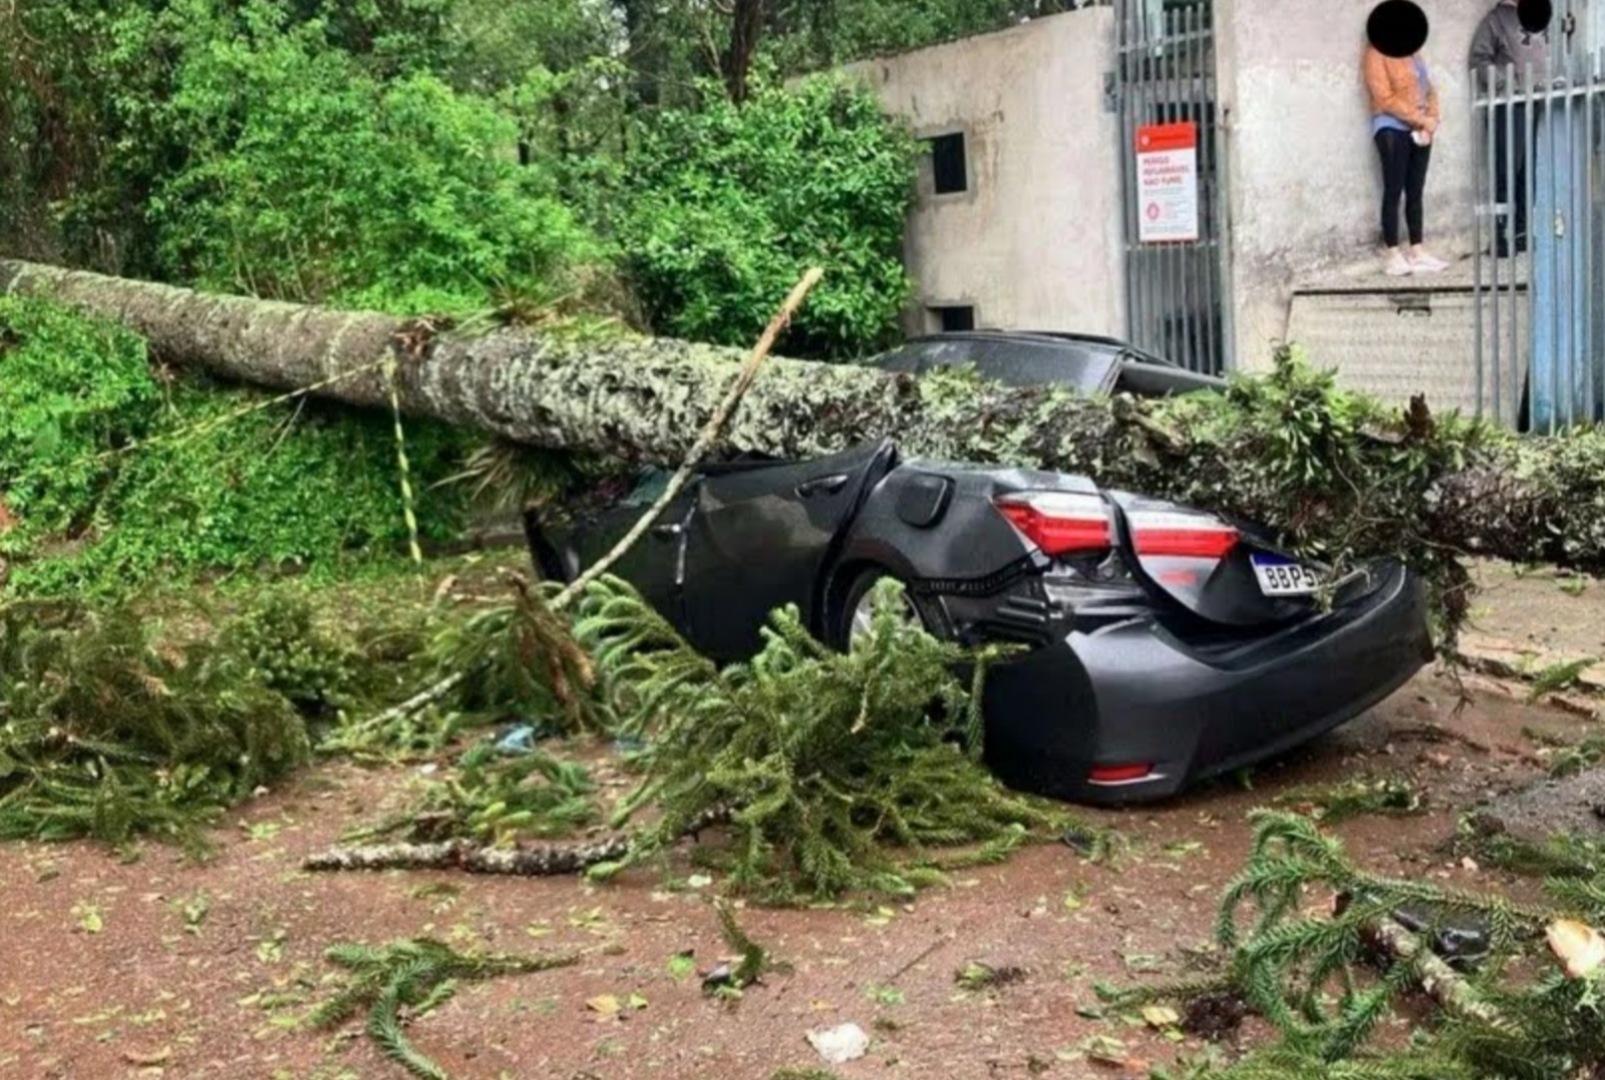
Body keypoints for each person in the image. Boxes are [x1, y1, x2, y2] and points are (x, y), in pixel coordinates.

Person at [1469, 0, 1552, 255]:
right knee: (1506, 170)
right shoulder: (1495, 20)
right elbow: (1478, 59)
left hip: (1535, 103)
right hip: (1509, 106)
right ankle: (1501, 235)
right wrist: (1507, 86)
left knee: (1528, 170)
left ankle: (1522, 232)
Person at [1364, 40, 1447, 275]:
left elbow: (1429, 90)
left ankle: (1417, 250)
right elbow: (1384, 97)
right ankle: (1392, 253)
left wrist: (1431, 121)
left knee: (1416, 191)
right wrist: (1421, 120)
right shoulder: (1376, 53)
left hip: (1420, 129)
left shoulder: (1413, 53)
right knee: (1393, 190)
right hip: (1391, 128)